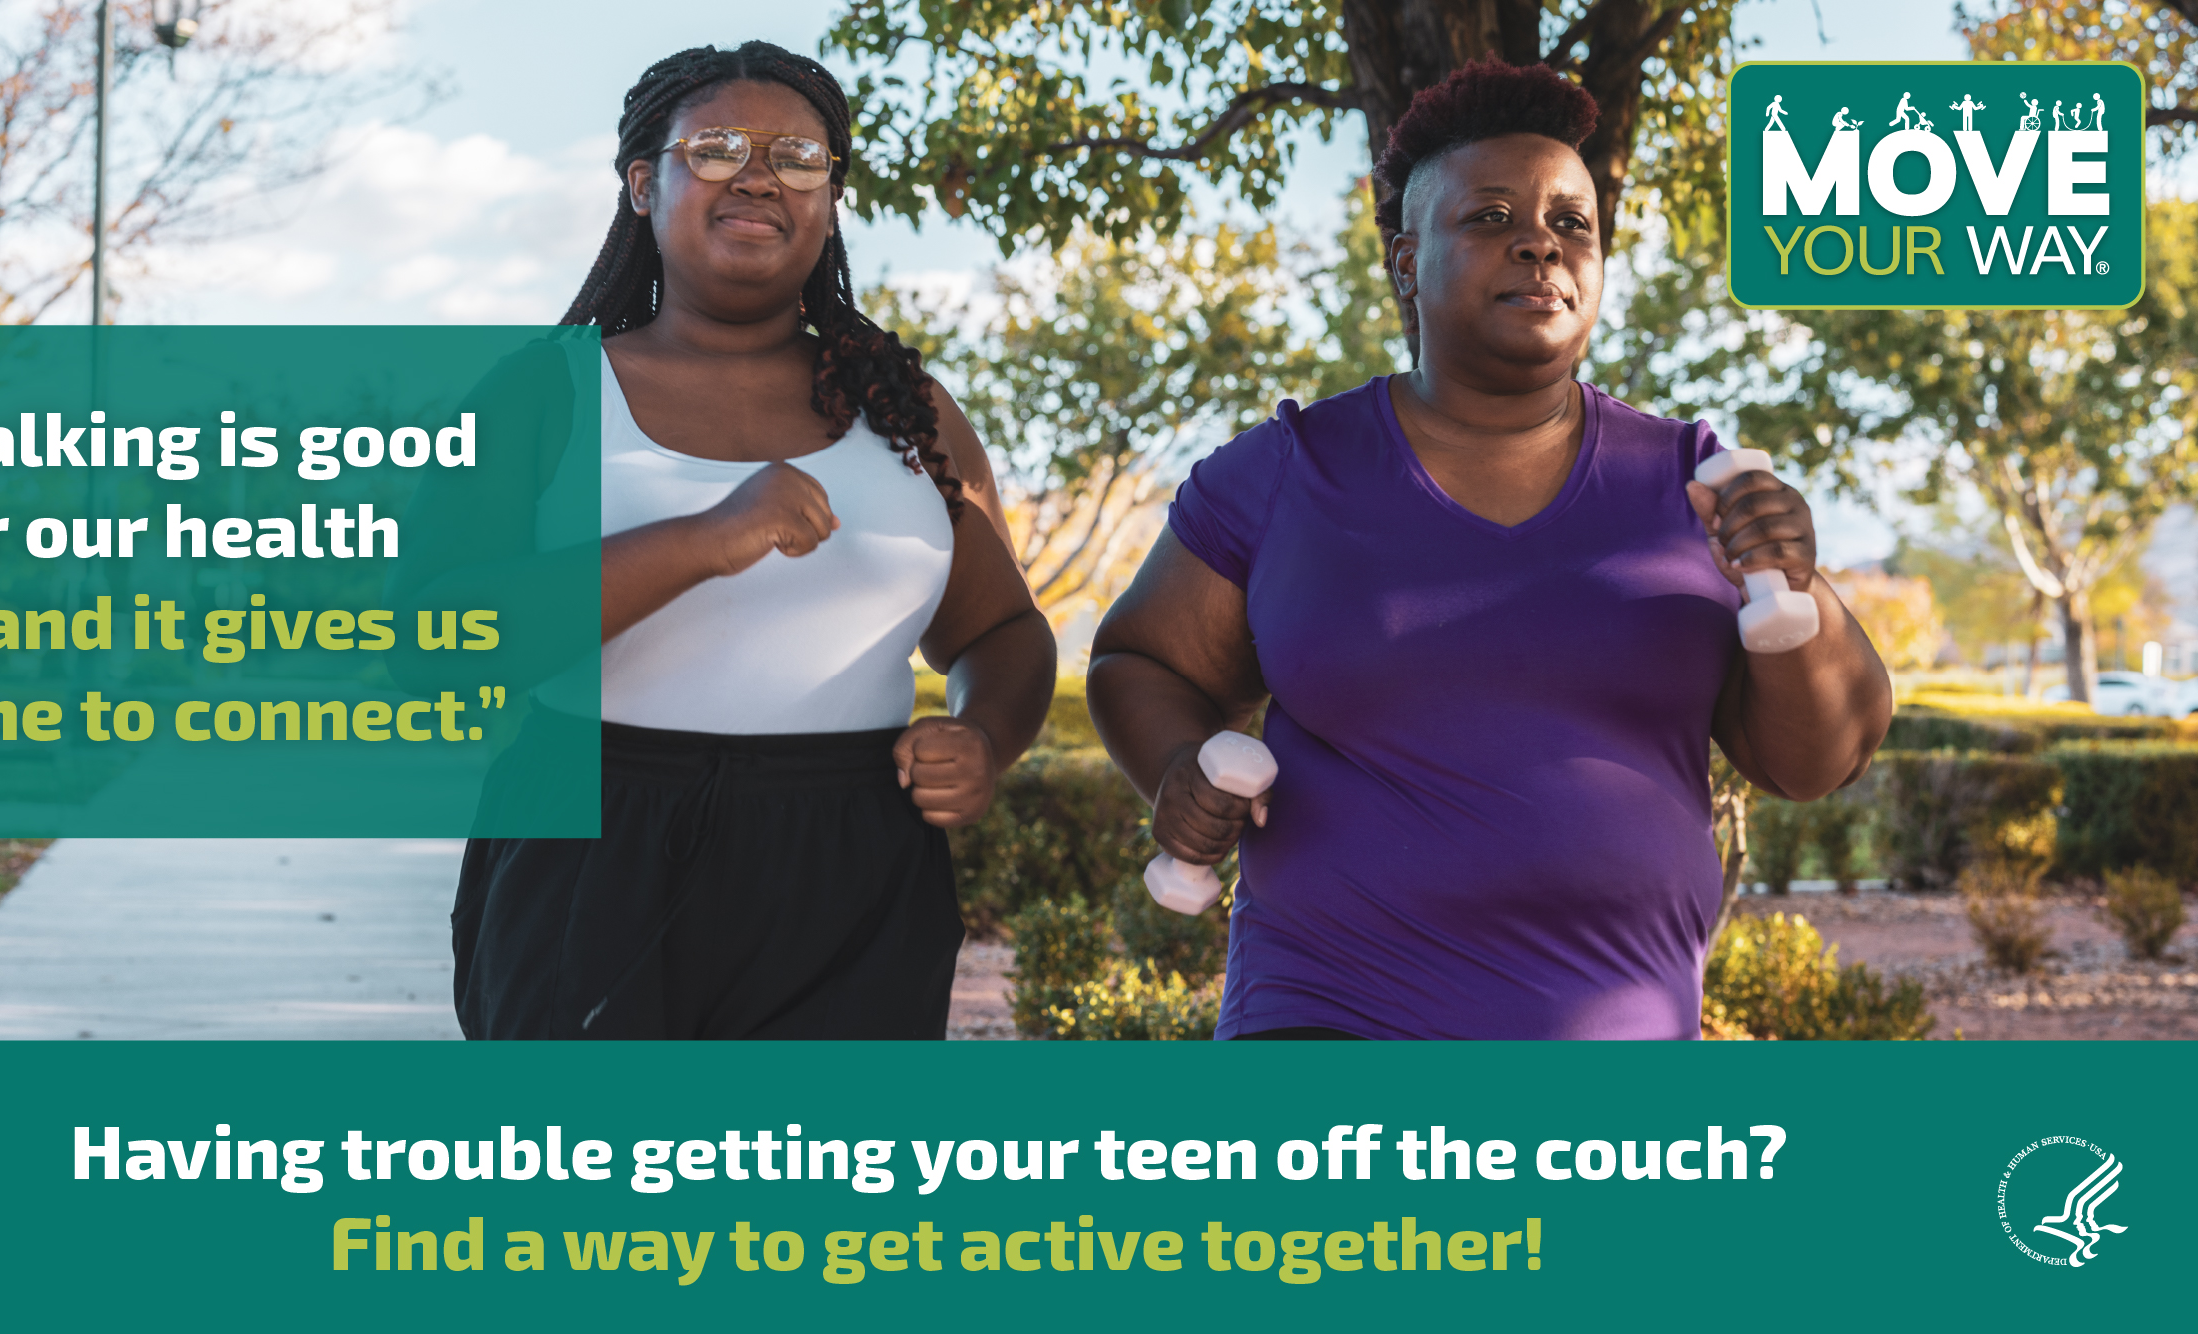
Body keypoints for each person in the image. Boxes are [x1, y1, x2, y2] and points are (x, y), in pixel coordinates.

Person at [1085, 59, 1890, 1041]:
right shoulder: (1286, 472)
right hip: (1327, 1025)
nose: (1538, 246)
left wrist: (1796, 592)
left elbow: (1818, 758)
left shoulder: (1698, 482)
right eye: (1489, 217)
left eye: (1571, 224)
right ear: (1403, 262)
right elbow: (1142, 659)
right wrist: (1175, 767)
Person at [395, 42, 1055, 1040]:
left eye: (798, 156)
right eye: (714, 148)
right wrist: (702, 540)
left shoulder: (905, 410)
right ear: (640, 182)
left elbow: (1000, 626)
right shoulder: (543, 393)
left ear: (830, 199)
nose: (758, 174)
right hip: (594, 837)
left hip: (854, 855)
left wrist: (984, 735)